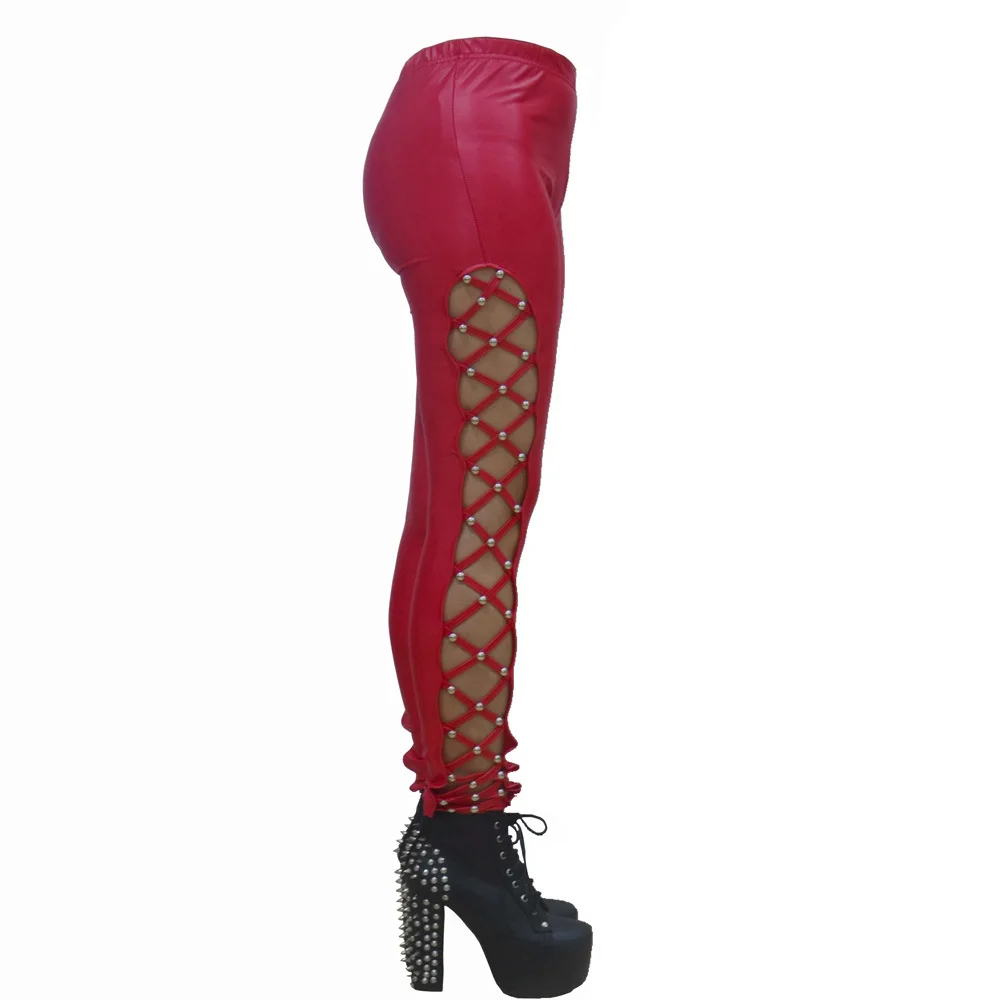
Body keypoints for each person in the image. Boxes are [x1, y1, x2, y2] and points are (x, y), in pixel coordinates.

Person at [363, 36, 592, 996]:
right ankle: (465, 834)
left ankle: (451, 821)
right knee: (481, 513)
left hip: (476, 127)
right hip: (480, 126)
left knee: (451, 510)